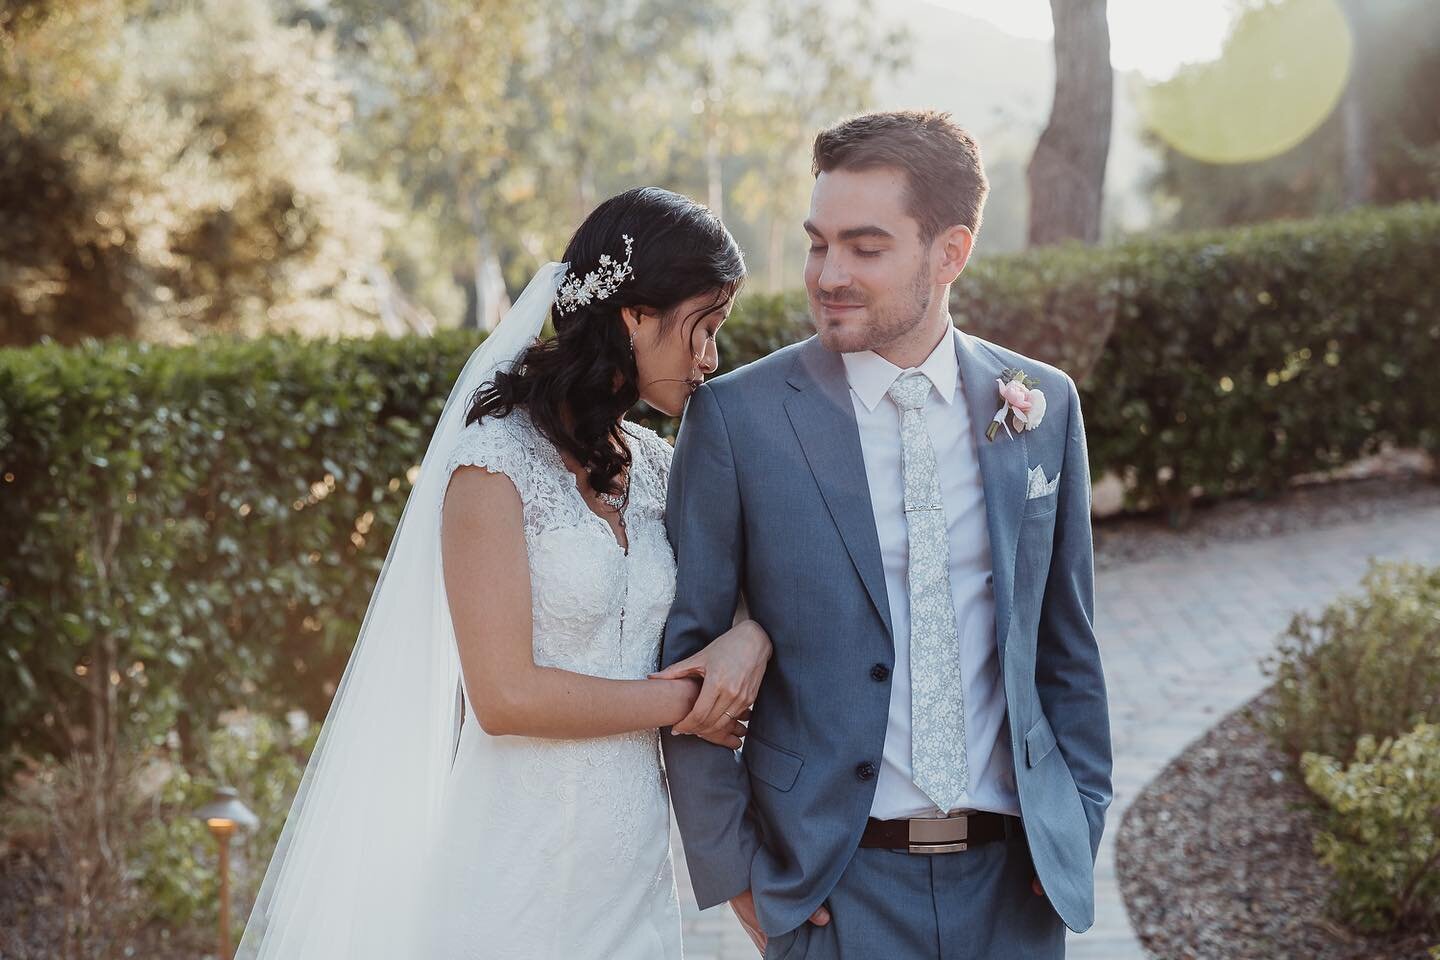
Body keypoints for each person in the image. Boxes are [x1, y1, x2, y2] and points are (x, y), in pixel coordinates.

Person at [238, 186, 770, 960]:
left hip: (634, 874)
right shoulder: (492, 465)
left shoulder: (658, 470)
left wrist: (748, 638)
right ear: (635, 315)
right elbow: (504, 695)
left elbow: (745, 595)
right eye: (703, 327)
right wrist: (686, 702)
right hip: (516, 873)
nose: (710, 359)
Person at [661, 110, 1114, 959]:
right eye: (817, 243)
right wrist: (740, 879)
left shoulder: (1041, 405)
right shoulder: (738, 420)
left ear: (950, 253)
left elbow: (1066, 643)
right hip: (833, 891)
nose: (828, 274)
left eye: (866, 249)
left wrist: (1077, 819)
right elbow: (687, 656)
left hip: (1015, 891)